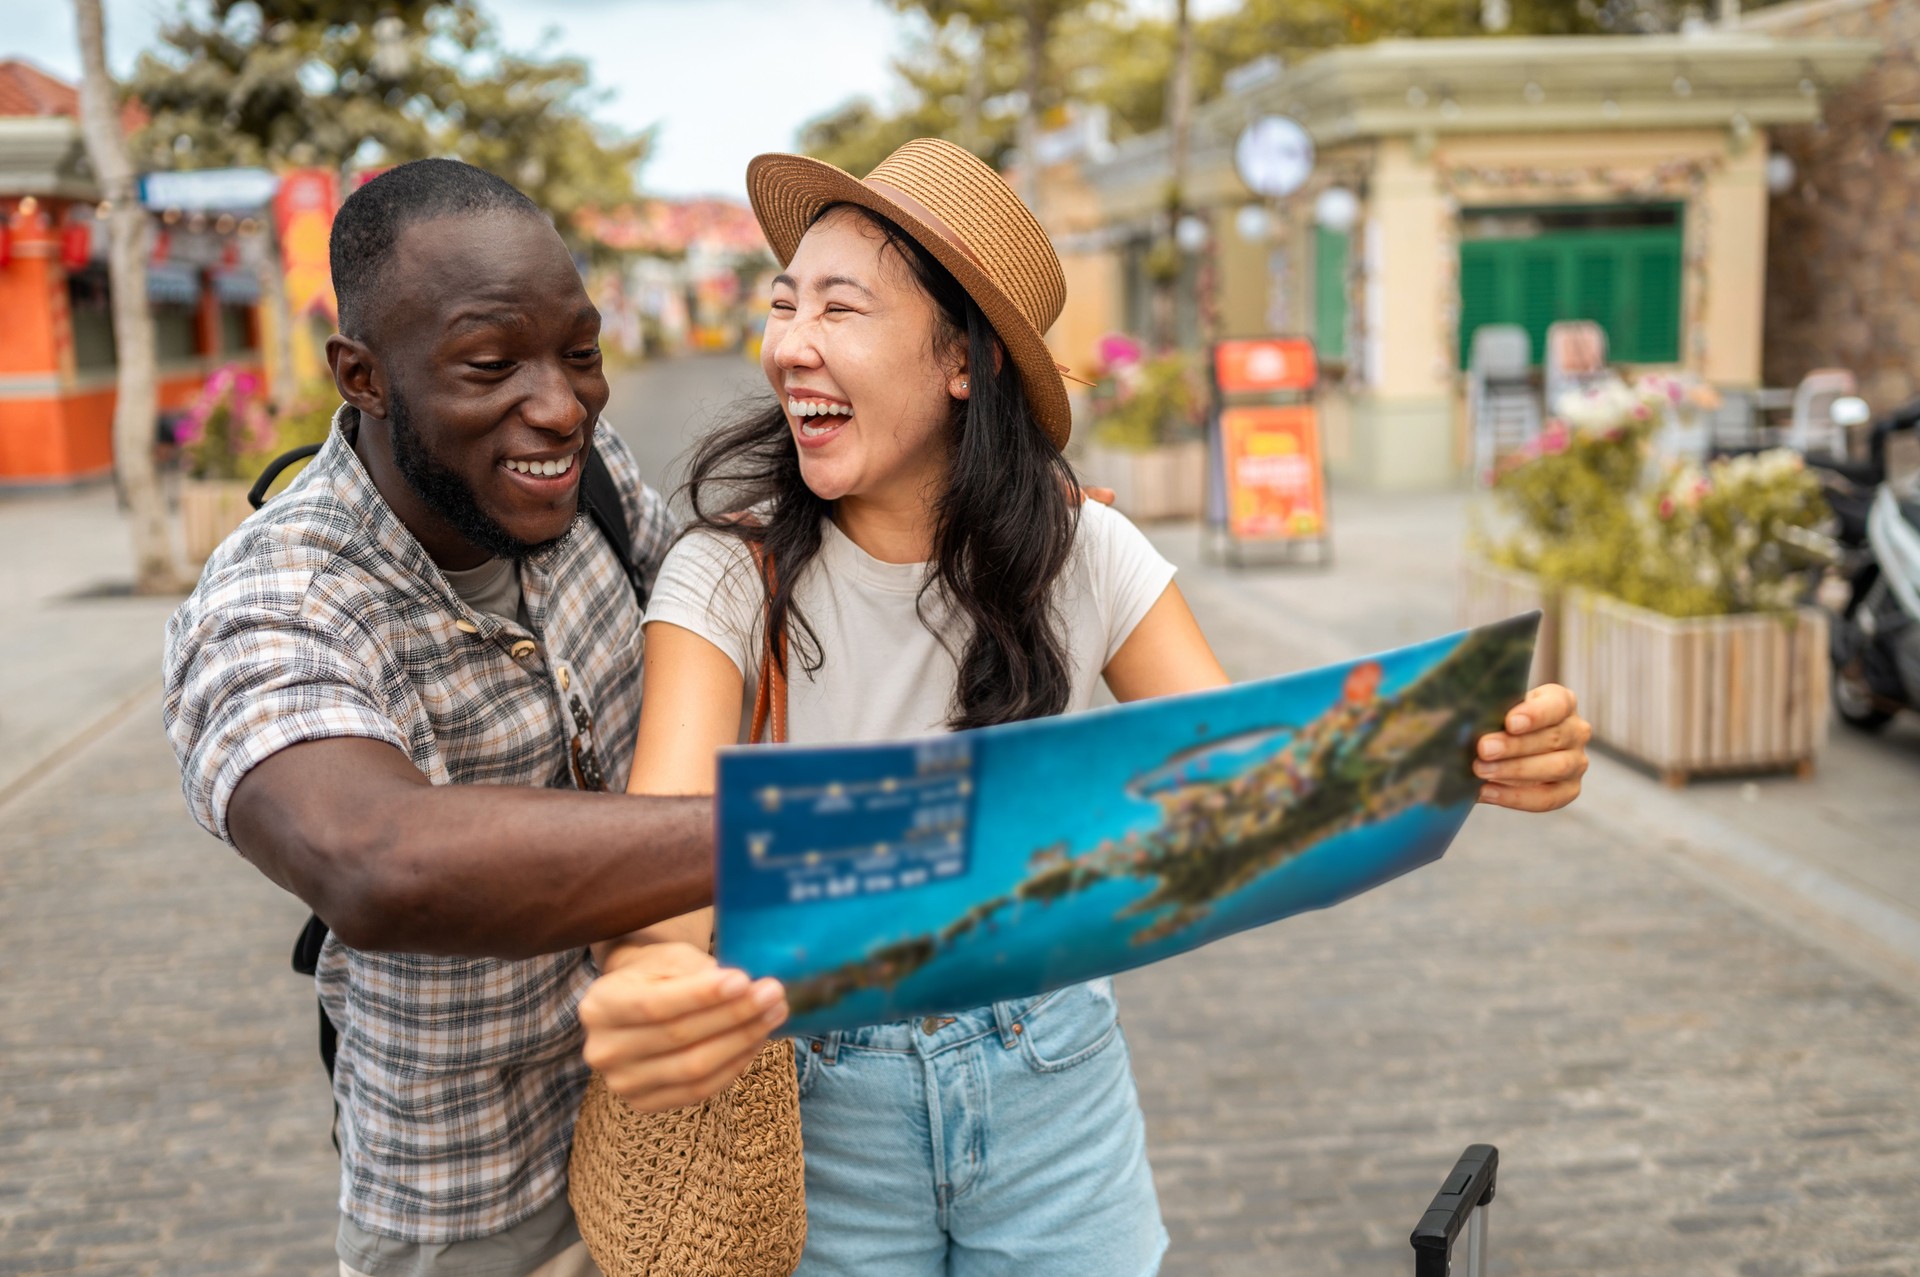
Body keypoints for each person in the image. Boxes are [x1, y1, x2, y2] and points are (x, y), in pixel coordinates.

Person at [578, 139, 1592, 1276]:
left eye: (840, 307)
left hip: (1055, 1084)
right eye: (783, 302)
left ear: (962, 358)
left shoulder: (1087, 552)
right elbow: (660, 869)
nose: (788, 344)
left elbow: (1264, 789)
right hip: (819, 1105)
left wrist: (1485, 749)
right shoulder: (724, 573)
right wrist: (652, 981)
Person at [162, 159, 779, 1277]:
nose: (561, 405)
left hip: (681, 1132)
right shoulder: (276, 599)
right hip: (477, 1199)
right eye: (490, 365)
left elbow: (719, 609)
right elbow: (375, 859)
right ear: (364, 375)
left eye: (579, 354)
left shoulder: (578, 475)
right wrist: (789, 834)